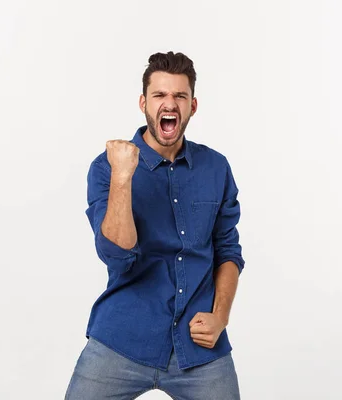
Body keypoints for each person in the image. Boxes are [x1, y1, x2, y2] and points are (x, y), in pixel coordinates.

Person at [64, 51, 245, 400]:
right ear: (143, 102)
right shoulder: (107, 167)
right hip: (122, 338)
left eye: (179, 96)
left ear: (193, 106)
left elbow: (228, 251)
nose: (170, 104)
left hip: (199, 347)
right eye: (160, 95)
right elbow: (116, 255)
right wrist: (123, 176)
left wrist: (220, 316)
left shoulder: (216, 168)